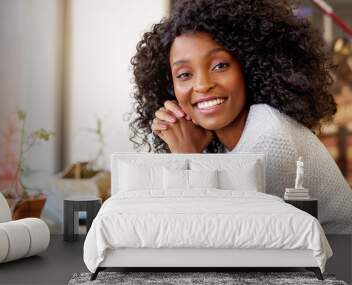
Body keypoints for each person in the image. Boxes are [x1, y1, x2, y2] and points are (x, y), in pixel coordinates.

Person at [128, 0, 352, 233]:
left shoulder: (270, 135)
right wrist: (197, 154)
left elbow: (221, 234)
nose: (202, 85)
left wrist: (188, 156)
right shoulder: (225, 140)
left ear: (249, 67)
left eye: (220, 66)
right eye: (184, 74)